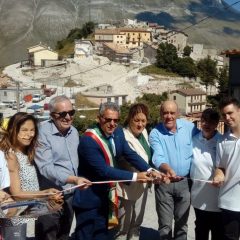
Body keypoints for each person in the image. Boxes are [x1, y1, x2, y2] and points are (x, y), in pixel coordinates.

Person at [72, 102, 165, 240]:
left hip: (107, 198)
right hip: (90, 200)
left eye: (115, 120)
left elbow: (129, 154)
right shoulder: (89, 141)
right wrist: (136, 176)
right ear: (99, 118)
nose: (112, 124)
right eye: (108, 119)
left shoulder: (118, 132)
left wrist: (149, 169)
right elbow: (104, 171)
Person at [34, 95, 91, 240]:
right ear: (53, 115)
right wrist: (73, 179)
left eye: (71, 113)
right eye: (63, 114)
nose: (68, 117)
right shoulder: (42, 133)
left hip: (70, 194)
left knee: (64, 235)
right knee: (48, 236)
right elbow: (46, 168)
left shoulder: (74, 133)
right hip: (49, 196)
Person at [0, 112, 63, 239]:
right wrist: (45, 193)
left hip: (30, 216)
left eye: (32, 130)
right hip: (16, 221)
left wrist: (49, 202)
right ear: (13, 130)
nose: (29, 135)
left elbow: (31, 189)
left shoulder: (26, 152)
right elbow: (16, 193)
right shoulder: (11, 155)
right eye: (24, 130)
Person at [149, 100, 199, 240]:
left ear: (178, 114)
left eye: (172, 113)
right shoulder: (155, 133)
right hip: (165, 183)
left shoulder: (190, 128)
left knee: (182, 224)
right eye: (165, 113)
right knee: (165, 225)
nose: (169, 116)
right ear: (160, 114)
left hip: (185, 184)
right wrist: (167, 168)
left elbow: (204, 140)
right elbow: (157, 157)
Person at [115, 103, 152, 240]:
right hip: (127, 186)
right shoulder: (123, 135)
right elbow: (125, 160)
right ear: (129, 119)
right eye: (136, 120)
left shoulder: (144, 133)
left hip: (143, 185)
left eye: (143, 121)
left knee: (136, 224)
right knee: (124, 226)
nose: (140, 124)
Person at [190, 108, 223, 240]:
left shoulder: (222, 142)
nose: (207, 124)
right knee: (201, 233)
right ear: (200, 122)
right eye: (204, 121)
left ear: (217, 124)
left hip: (218, 202)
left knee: (218, 234)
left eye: (211, 121)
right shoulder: (193, 140)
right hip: (199, 199)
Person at [213, 97, 240, 240]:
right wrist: (218, 176)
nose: (227, 118)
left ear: (239, 111)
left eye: (230, 113)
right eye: (224, 115)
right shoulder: (222, 140)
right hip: (229, 202)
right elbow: (220, 167)